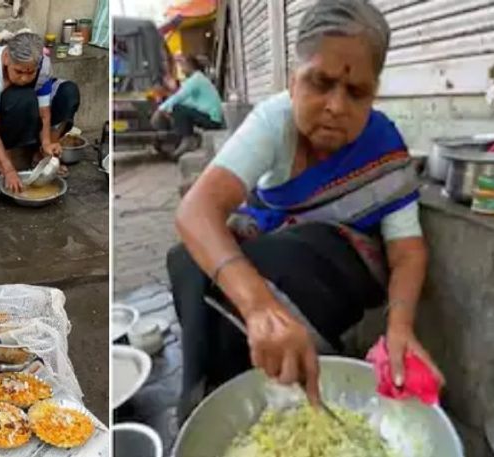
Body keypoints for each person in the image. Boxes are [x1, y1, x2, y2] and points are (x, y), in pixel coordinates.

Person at [167, 0, 444, 423]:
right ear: (294, 82)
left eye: (356, 92)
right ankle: (212, 398)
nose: (336, 105)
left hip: (341, 265)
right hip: (277, 250)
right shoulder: (274, 121)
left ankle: (288, 382)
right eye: (321, 82)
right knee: (188, 261)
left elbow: (407, 251)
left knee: (285, 256)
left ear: (374, 92)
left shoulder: (383, 146)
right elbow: (196, 211)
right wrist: (260, 308)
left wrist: (400, 328)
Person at [0, 31, 81, 193]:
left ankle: (44, 158)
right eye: (18, 72)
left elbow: (44, 111)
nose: (25, 78)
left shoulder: (42, 64)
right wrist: (9, 170)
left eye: (30, 72)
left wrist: (46, 142)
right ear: (6, 59)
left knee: (68, 92)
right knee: (22, 97)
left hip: (25, 104)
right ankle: (0, 161)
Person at [152, 55, 224, 158]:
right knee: (177, 108)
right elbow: (186, 101)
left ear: (190, 66)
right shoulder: (196, 79)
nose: (181, 70)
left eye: (183, 66)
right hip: (211, 117)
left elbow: (180, 96)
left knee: (177, 107)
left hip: (212, 120)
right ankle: (187, 139)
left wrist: (160, 109)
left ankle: (188, 139)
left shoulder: (196, 79)